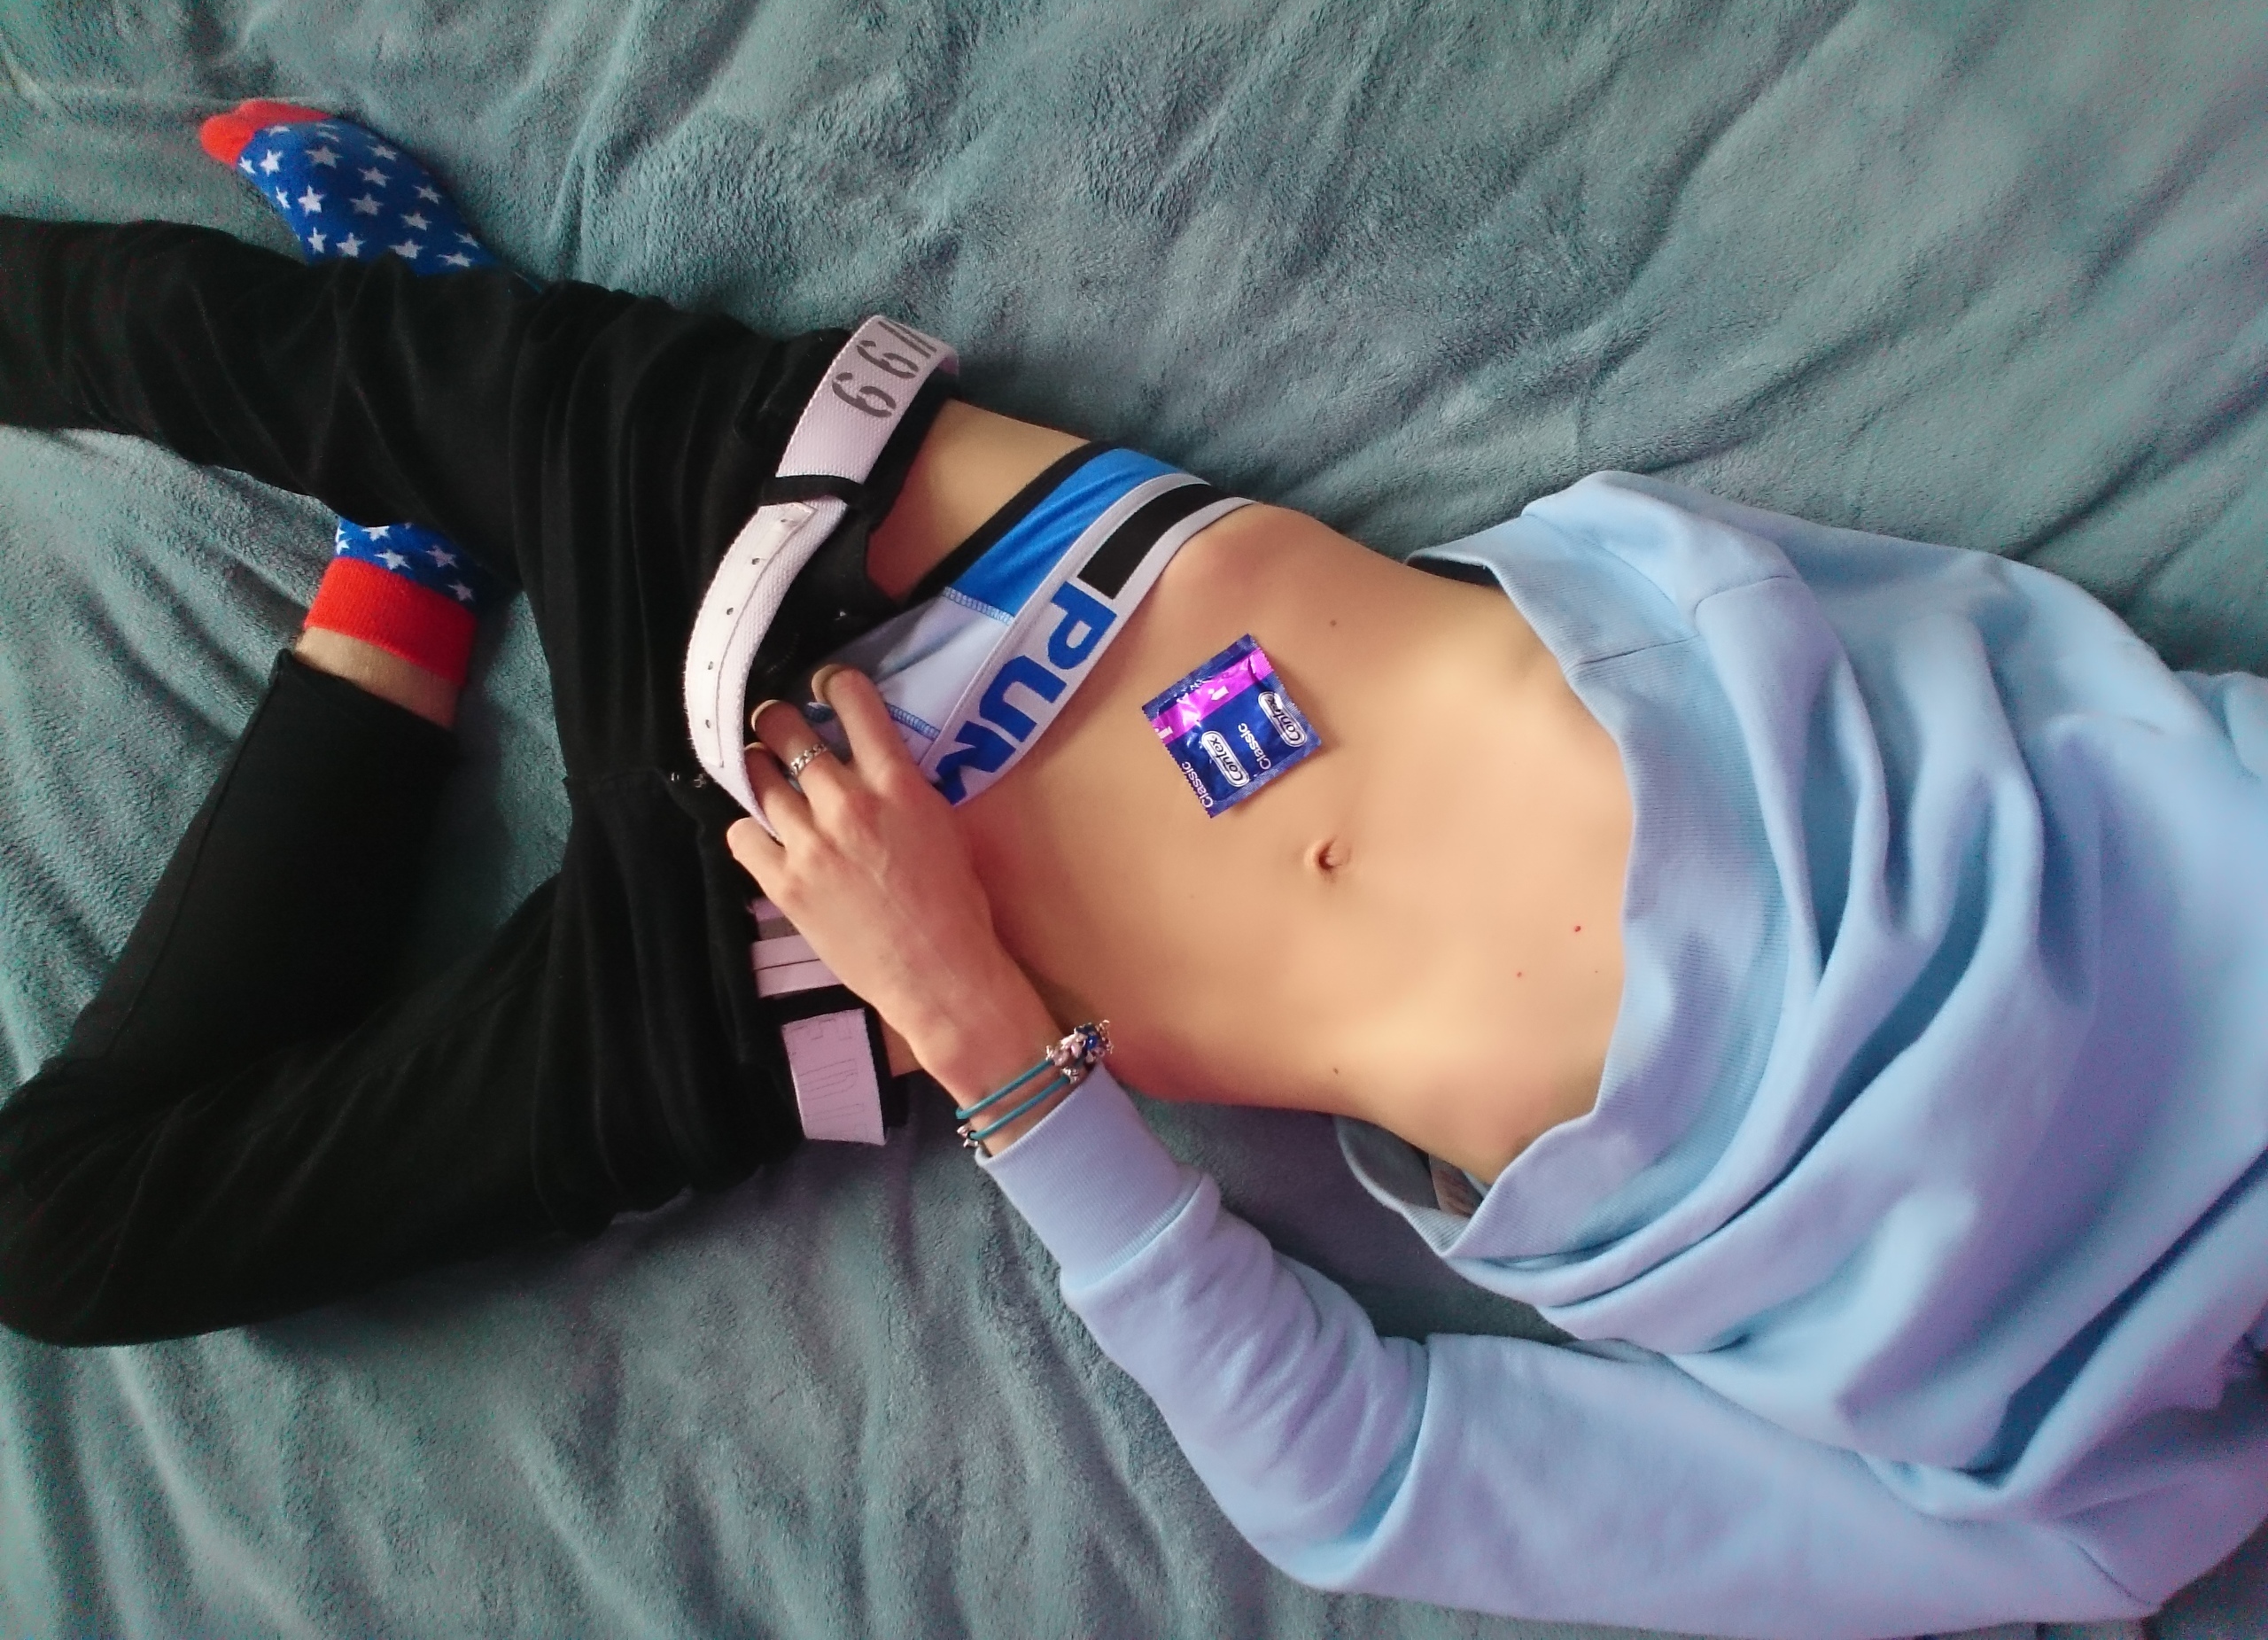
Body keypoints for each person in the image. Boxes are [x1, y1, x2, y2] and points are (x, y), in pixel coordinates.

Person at [3, 105, 2265, 1639]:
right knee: (150, 334)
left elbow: (1363, 1475)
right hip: (947, 568)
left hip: (842, 963)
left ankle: (404, 573)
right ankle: (424, 430)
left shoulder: (2093, 1515)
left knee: (66, 1237)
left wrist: (984, 1043)